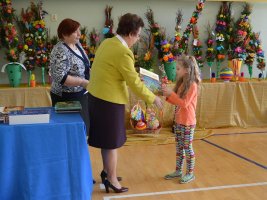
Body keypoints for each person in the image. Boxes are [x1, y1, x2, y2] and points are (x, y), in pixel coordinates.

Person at [86, 13, 163, 193]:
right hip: (109, 101)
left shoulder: (107, 42)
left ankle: (107, 173)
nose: (136, 40)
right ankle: (112, 180)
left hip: (97, 97)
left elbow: (118, 73)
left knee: (107, 142)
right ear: (130, 33)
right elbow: (134, 83)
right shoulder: (123, 52)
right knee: (112, 143)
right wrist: (153, 97)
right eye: (137, 35)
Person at [162, 55, 201, 184]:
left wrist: (170, 94)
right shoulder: (181, 83)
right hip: (179, 121)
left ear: (186, 70)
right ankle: (178, 170)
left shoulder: (193, 85)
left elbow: (184, 103)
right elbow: (177, 101)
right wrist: (167, 96)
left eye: (178, 68)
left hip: (188, 122)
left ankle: (190, 173)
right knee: (179, 148)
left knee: (187, 147)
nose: (176, 70)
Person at [49, 18, 90, 135]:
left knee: (83, 130)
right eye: (75, 32)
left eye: (79, 30)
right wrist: (82, 82)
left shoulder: (76, 44)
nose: (79, 34)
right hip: (66, 97)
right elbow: (60, 77)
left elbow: (84, 65)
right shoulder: (60, 50)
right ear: (64, 34)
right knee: (71, 133)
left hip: (81, 94)